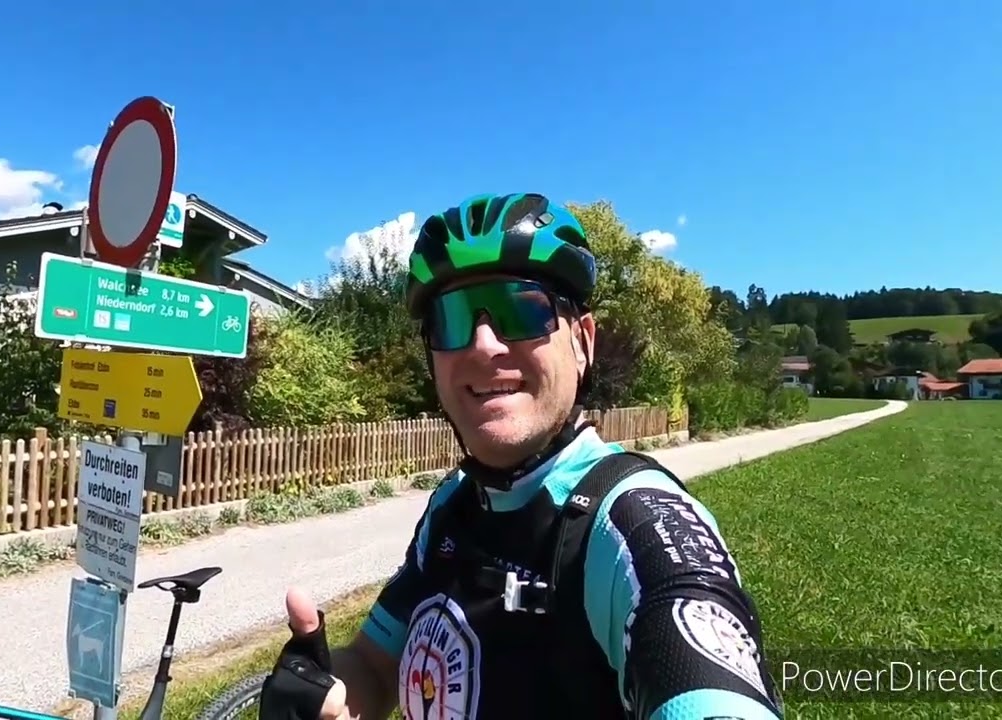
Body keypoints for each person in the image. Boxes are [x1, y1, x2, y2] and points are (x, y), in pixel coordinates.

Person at [258, 193, 785, 719]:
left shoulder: (630, 522)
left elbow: (703, 671)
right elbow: (375, 666)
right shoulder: (454, 505)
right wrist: (328, 693)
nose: (484, 345)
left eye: (521, 309)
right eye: (452, 317)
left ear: (583, 342)